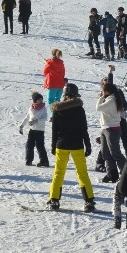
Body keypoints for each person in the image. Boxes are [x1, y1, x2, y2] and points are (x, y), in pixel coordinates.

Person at [47, 83, 95, 211]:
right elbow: (83, 129)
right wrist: (88, 145)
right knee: (82, 173)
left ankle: (54, 200)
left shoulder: (57, 109)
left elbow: (54, 130)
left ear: (64, 95)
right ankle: (89, 201)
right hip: (77, 145)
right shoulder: (79, 109)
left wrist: (53, 146)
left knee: (58, 173)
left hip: (61, 145)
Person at [96, 81, 126, 181]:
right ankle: (112, 174)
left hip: (112, 129)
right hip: (105, 128)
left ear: (107, 92)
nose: (101, 93)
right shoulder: (111, 99)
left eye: (103, 91)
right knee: (105, 153)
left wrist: (100, 98)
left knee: (115, 152)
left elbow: (98, 108)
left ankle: (126, 172)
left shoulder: (111, 101)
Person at [19, 92, 49, 167]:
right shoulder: (31, 108)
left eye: (42, 99)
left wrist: (36, 121)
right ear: (35, 100)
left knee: (40, 145)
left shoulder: (43, 108)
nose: (41, 100)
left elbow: (45, 118)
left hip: (40, 130)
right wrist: (21, 126)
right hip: (32, 129)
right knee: (29, 145)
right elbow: (27, 117)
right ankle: (28, 160)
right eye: (39, 99)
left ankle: (44, 161)